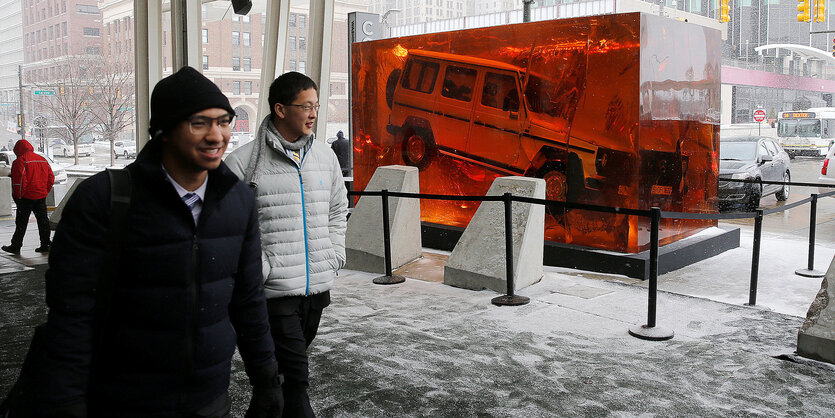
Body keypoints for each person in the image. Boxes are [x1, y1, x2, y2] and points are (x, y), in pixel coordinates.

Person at [31, 66, 283, 417]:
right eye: (199, 123)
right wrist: (66, 402)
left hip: (209, 400)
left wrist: (266, 378)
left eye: (224, 121)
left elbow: (248, 300)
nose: (217, 136)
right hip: (121, 401)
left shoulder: (238, 200)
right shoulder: (104, 199)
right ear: (163, 131)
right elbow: (72, 315)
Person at [226, 71, 348, 418]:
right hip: (274, 292)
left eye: (316, 106)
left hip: (316, 288)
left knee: (277, 381)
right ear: (280, 109)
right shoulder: (243, 163)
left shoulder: (324, 156)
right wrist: (262, 269)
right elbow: (232, 229)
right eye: (305, 106)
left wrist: (334, 254)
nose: (313, 113)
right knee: (297, 381)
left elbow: (338, 209)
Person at [2, 139, 54, 255]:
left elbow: (19, 182)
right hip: (40, 196)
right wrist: (45, 191)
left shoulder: (20, 161)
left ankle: (16, 246)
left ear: (18, 149)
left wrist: (18, 196)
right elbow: (51, 177)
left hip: (26, 197)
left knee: (21, 222)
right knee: (43, 221)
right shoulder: (42, 159)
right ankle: (46, 244)